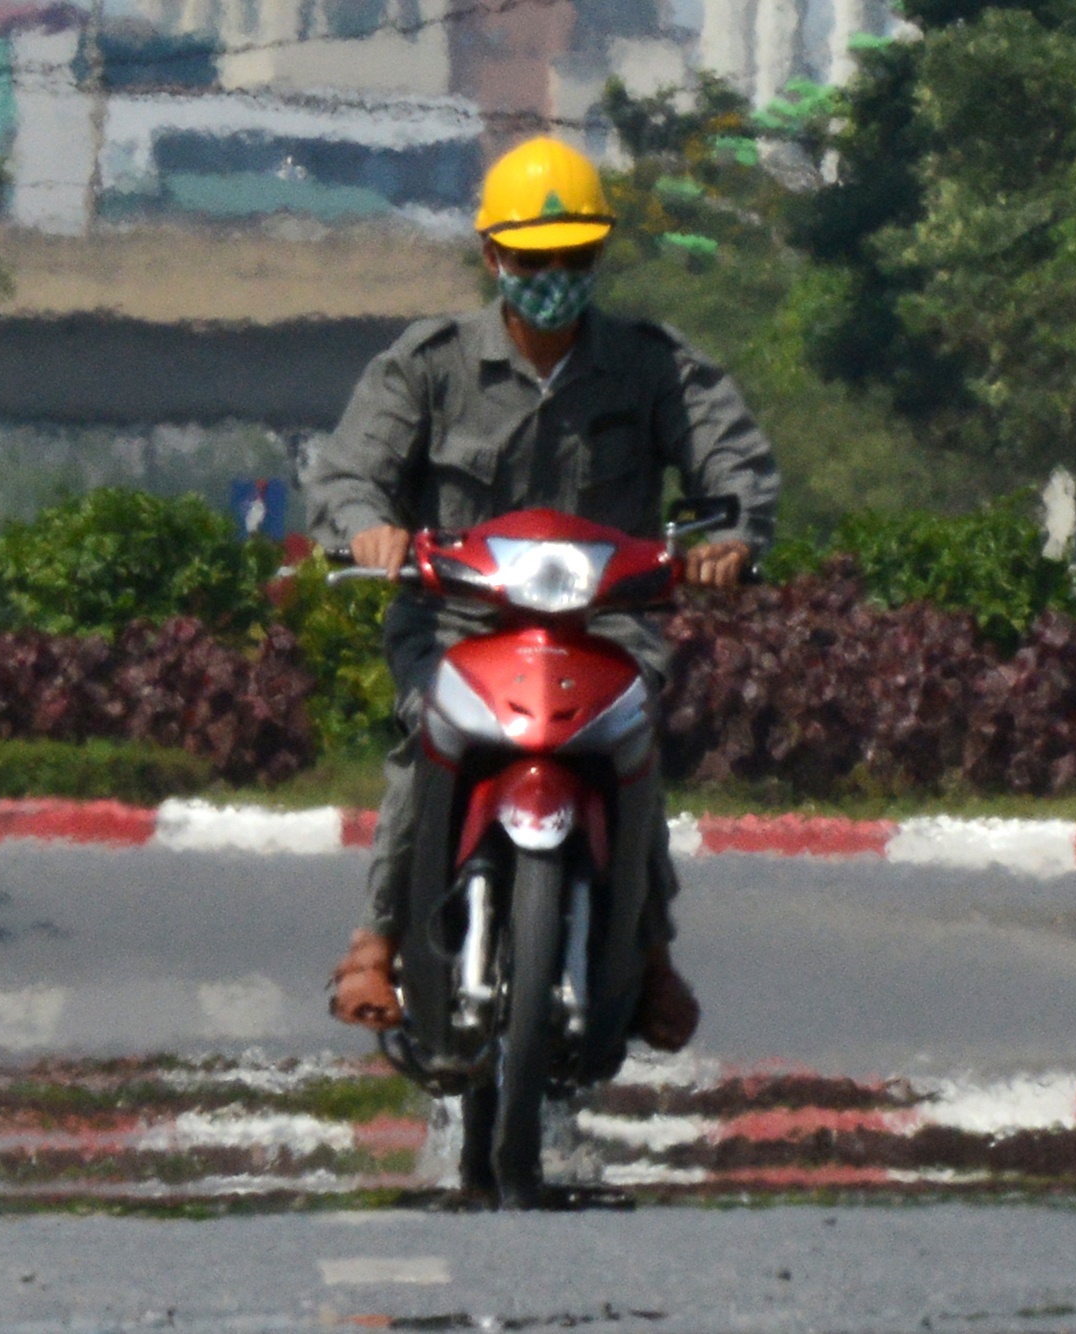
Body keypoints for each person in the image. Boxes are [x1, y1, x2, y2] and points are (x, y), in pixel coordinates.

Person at [304, 137, 780, 1053]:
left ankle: (647, 953)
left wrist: (729, 540)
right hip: (456, 618)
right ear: (492, 258)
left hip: (609, 627)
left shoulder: (653, 366)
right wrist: (370, 526)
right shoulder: (429, 363)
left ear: (598, 259)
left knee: (631, 751)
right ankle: (377, 938)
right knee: (424, 735)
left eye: (574, 259)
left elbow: (732, 462)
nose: (552, 277)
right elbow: (350, 472)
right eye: (531, 259)